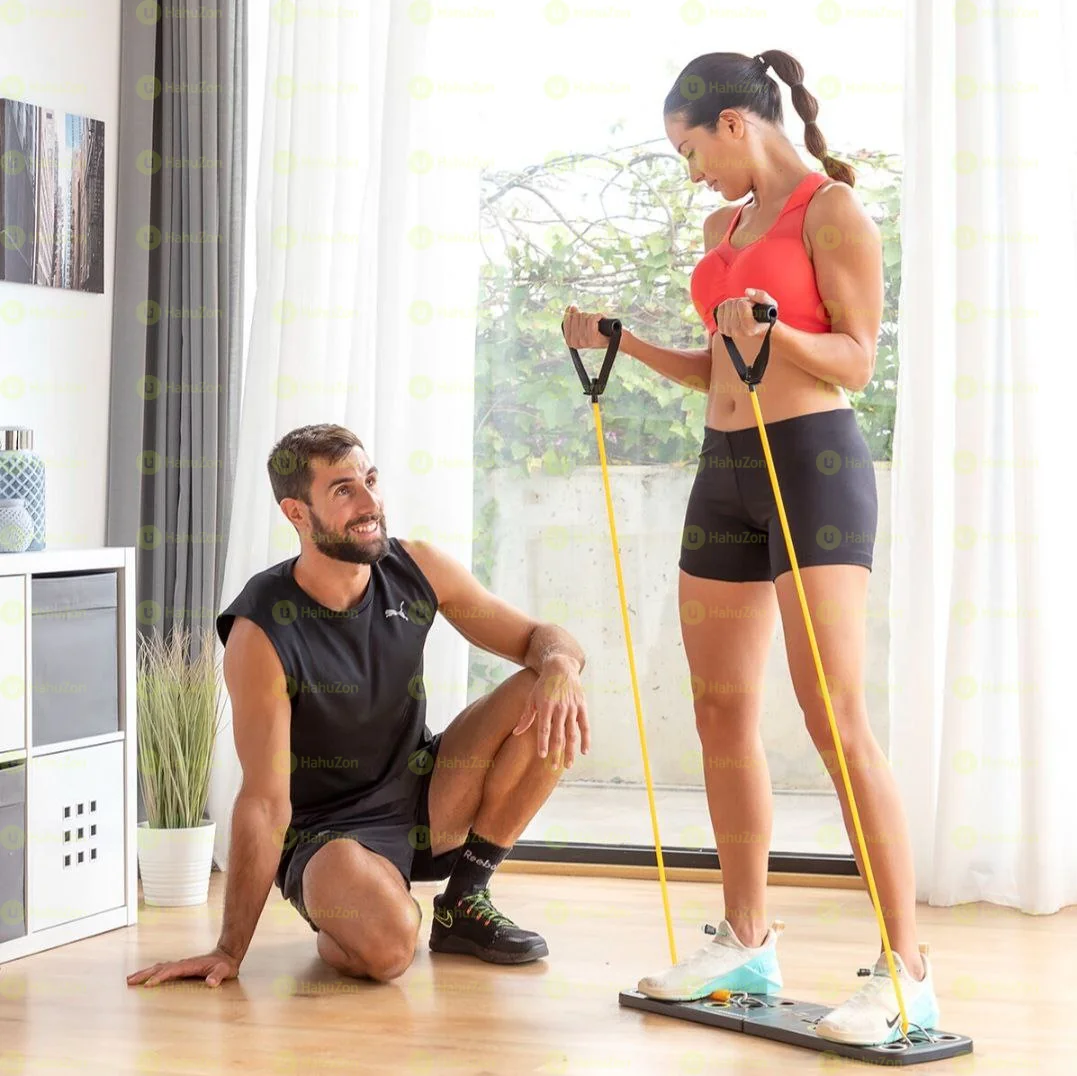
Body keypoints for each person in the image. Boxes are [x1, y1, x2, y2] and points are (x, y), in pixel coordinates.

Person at [563, 49, 938, 1046]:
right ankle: (745, 938)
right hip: (723, 469)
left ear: (735, 122)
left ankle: (909, 967)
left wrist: (779, 329)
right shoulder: (721, 227)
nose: (693, 173)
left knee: (834, 712)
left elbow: (856, 355)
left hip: (813, 462)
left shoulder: (833, 212)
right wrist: (624, 342)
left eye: (692, 149)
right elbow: (724, 363)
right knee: (718, 705)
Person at [127, 423, 589, 988]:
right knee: (392, 951)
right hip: (329, 834)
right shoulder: (262, 631)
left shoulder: (416, 567)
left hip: (422, 792)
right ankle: (364, 911)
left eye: (370, 480)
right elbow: (265, 802)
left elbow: (542, 636)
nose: (371, 503)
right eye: (344, 490)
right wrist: (229, 949)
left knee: (542, 691)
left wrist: (562, 666)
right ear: (298, 514)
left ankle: (464, 902)